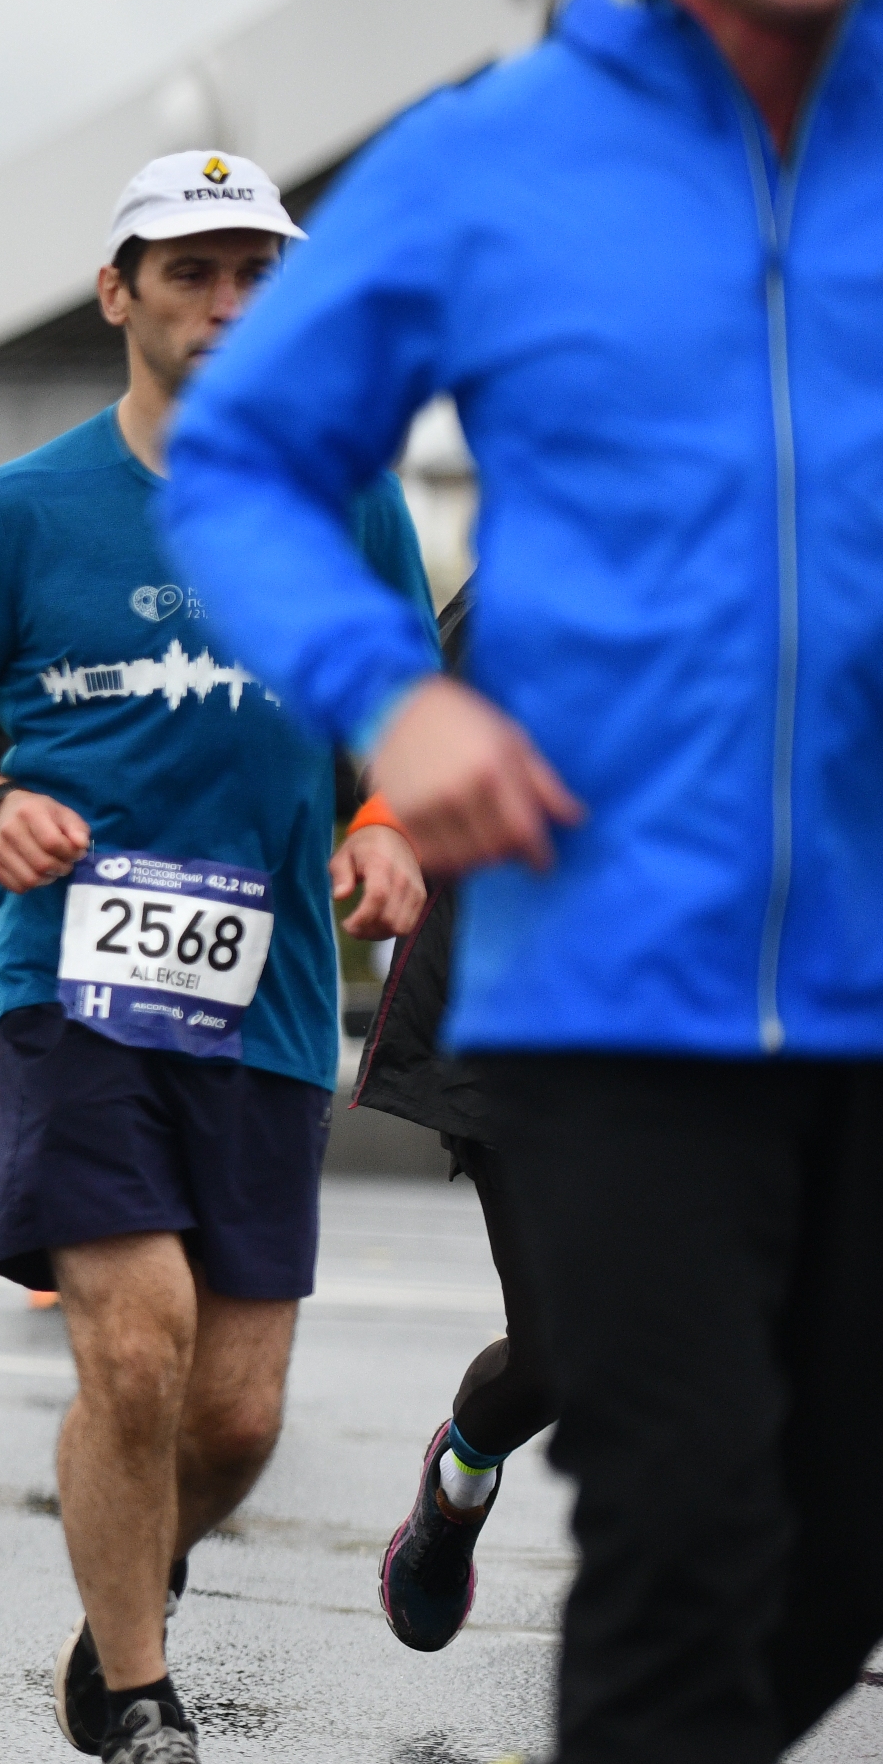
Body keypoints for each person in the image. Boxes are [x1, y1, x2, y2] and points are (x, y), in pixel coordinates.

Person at [159, 0, 883, 1764]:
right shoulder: (495, 161)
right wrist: (397, 699)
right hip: (606, 981)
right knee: (696, 1523)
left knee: (875, 1510)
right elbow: (258, 466)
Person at [0, 149, 431, 1764]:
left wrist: (389, 826)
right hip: (77, 985)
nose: (225, 303)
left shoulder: (344, 500)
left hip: (263, 994)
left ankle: (134, 1578)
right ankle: (138, 1705)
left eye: (255, 273)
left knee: (237, 1409)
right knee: (134, 1352)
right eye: (187, 271)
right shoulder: (23, 512)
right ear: (116, 293)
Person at [336, 583, 546, 1654]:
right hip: (517, 1006)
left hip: (710, 1014)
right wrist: (386, 830)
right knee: (569, 1353)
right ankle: (457, 1485)